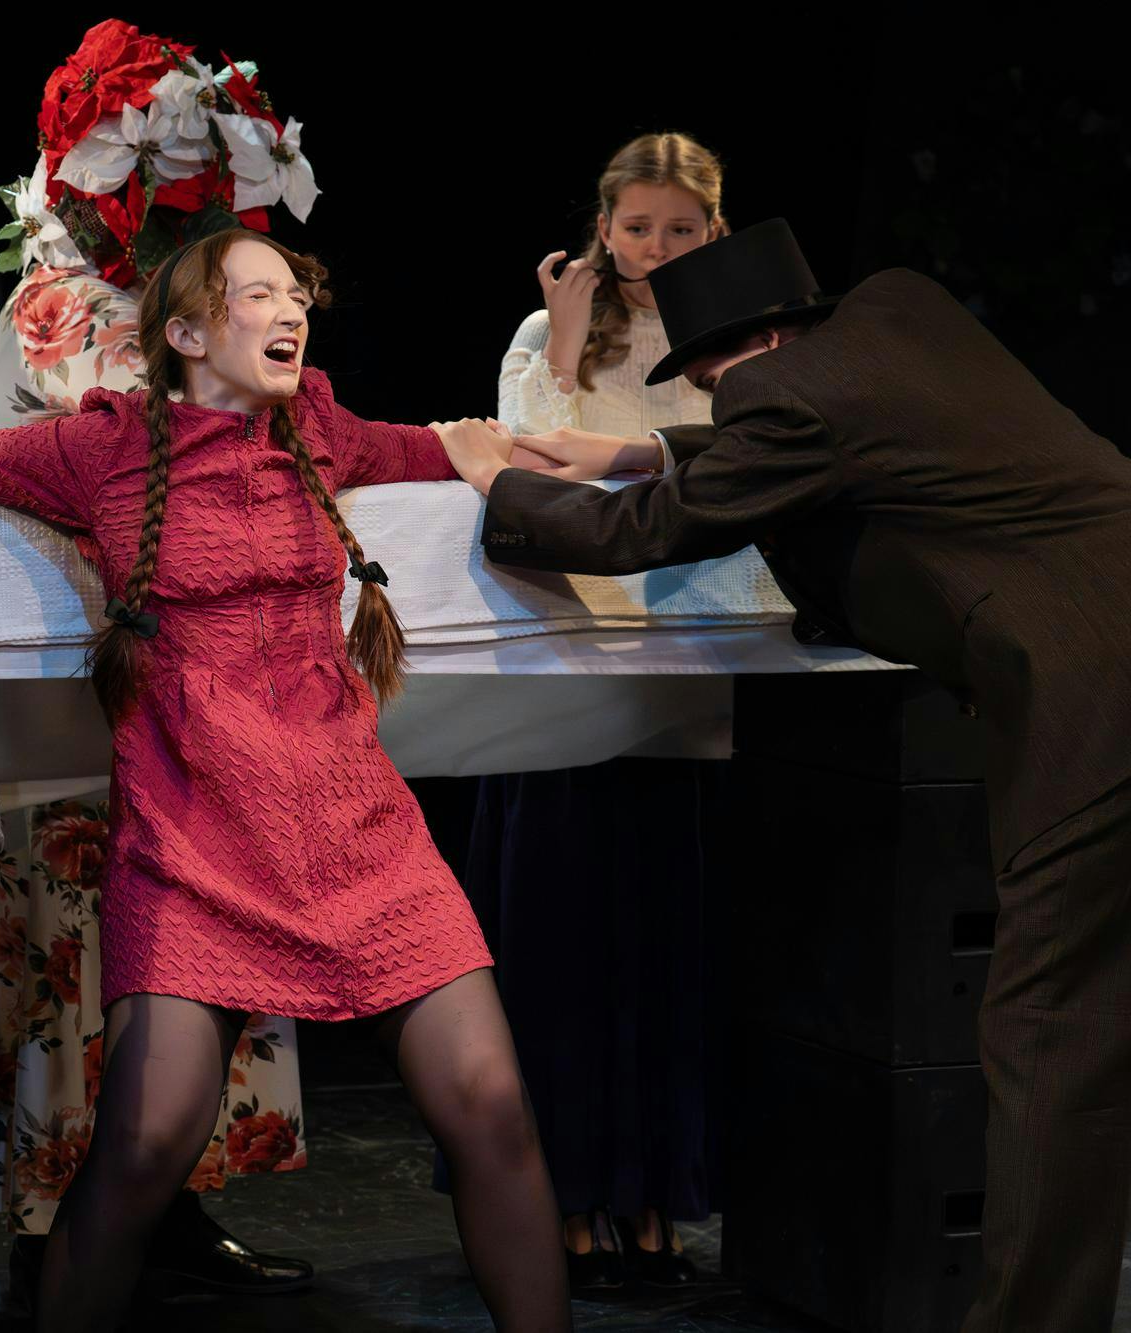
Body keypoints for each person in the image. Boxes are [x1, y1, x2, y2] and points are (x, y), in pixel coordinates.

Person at [447, 218, 1131, 1333]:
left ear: (761, 342)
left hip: (1093, 697)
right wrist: (636, 448)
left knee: (1048, 1030)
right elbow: (819, 437)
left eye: (707, 376)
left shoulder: (788, 397)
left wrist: (498, 486)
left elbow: (650, 534)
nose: (704, 400)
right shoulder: (904, 307)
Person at [0, 226, 571, 1332]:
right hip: (195, 839)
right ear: (188, 333)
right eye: (258, 296)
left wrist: (609, 454)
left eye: (295, 294)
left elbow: (443, 447)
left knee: (491, 1107)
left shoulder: (320, 429)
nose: (290, 311)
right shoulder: (103, 447)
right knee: (145, 1144)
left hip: (356, 830)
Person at [0, 21, 316, 1309]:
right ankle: (58, 1228)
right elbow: (137, 452)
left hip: (191, 675)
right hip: (84, 667)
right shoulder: (64, 303)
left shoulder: (191, 310)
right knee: (86, 932)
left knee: (202, 937)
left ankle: (177, 1204)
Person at [469, 130, 726, 1289]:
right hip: (566, 663)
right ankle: (566, 1200)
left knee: (665, 946)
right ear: (602, 225)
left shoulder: (728, 344)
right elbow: (517, 469)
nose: (654, 248)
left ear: (715, 233)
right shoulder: (545, 333)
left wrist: (617, 448)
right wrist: (566, 347)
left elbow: (740, 464)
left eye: (680, 230)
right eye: (636, 228)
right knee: (559, 944)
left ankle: (655, 1198)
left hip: (686, 673)